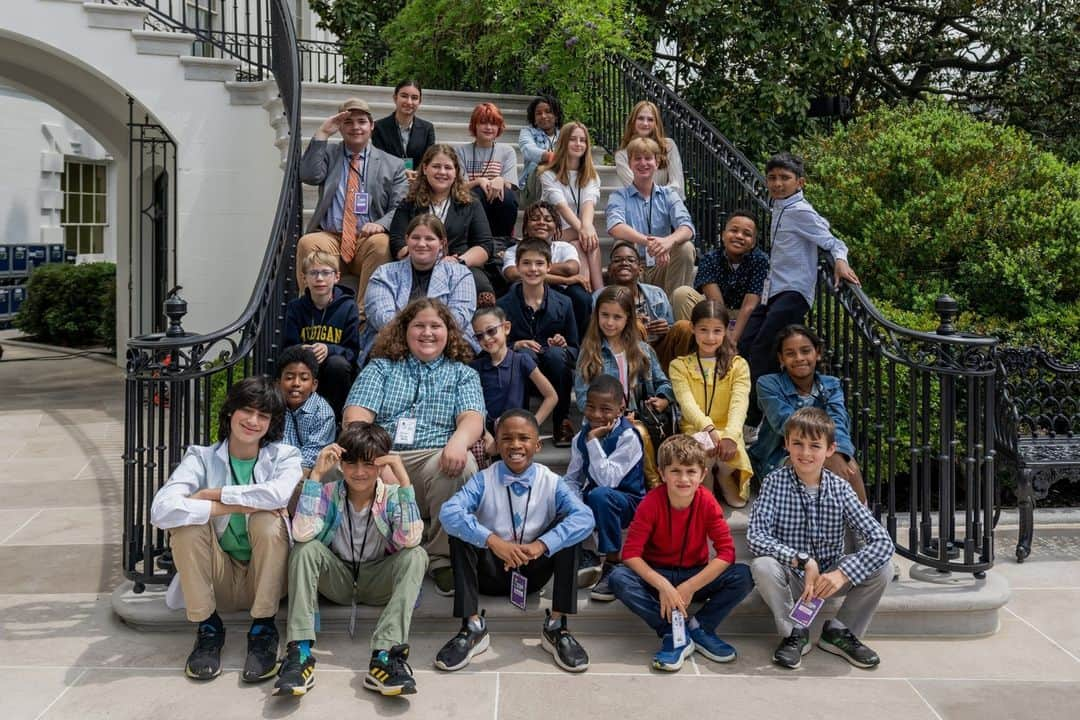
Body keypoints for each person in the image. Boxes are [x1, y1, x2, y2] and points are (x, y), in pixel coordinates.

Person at [149, 377, 301, 682]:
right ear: (230, 411)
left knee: (267, 520)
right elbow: (161, 510)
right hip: (219, 582)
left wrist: (212, 494)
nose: (253, 421)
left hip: (267, 580)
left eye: (263, 415)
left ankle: (263, 629)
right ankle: (208, 628)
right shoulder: (201, 458)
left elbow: (277, 495)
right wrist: (229, 506)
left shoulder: (285, 456)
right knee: (186, 528)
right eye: (247, 410)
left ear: (271, 423)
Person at [343, 298, 485, 596]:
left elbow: (473, 417)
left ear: (449, 332)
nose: (427, 332)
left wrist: (458, 443)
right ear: (404, 330)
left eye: (436, 326)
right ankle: (376, 557)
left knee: (463, 467)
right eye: (419, 325)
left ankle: (440, 557)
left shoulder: (463, 373)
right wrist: (377, 461)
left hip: (433, 458)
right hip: (382, 455)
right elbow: (355, 418)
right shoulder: (380, 368)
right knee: (338, 467)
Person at [275, 422, 427, 698]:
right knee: (305, 549)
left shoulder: (393, 496)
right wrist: (316, 476)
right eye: (351, 462)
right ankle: (300, 652)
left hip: (378, 577)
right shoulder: (328, 492)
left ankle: (386, 654)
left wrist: (404, 481)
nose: (359, 472)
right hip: (339, 577)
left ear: (381, 465)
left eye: (369, 463)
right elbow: (301, 533)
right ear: (341, 463)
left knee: (416, 555)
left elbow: (410, 539)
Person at [436, 409, 594, 673]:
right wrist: (494, 542)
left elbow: (585, 518)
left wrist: (540, 545)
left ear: (538, 444)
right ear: (496, 445)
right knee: (460, 531)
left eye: (524, 438)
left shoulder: (552, 481)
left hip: (533, 570)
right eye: (507, 439)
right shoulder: (483, 479)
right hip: (490, 571)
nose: (516, 445)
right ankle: (472, 626)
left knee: (570, 532)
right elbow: (448, 513)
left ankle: (557, 626)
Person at [747, 407, 893, 670]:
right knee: (762, 565)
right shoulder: (773, 483)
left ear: (829, 449)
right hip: (793, 576)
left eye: (815, 445)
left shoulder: (840, 489)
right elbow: (756, 536)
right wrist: (802, 561)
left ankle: (839, 632)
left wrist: (843, 573)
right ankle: (794, 633)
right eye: (798, 444)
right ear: (786, 445)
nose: (805, 453)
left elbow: (882, 541)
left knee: (884, 566)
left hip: (829, 578)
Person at [608, 434, 754, 671]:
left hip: (695, 576)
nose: (683, 478)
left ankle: (701, 627)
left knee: (744, 575)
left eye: (690, 471)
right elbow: (631, 554)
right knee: (618, 578)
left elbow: (726, 553)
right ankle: (672, 633)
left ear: (703, 475)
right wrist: (663, 585)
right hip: (658, 577)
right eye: (675, 471)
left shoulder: (707, 502)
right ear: (662, 473)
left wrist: (689, 587)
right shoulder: (651, 503)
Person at [738, 152, 860, 427]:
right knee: (745, 343)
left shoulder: (801, 211)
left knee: (764, 348)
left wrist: (840, 260)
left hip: (794, 292)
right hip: (775, 290)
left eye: (785, 178)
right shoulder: (779, 206)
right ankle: (753, 408)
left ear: (800, 182)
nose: (777, 183)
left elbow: (832, 241)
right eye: (772, 178)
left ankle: (755, 420)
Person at [295, 98, 408, 315]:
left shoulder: (392, 164)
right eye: (348, 122)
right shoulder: (329, 154)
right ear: (340, 127)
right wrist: (323, 133)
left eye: (362, 121)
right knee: (308, 243)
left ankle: (364, 317)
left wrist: (381, 225)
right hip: (332, 238)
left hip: (367, 240)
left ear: (371, 126)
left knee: (382, 244)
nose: (356, 127)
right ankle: (310, 314)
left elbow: (400, 207)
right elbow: (308, 175)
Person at [751, 325, 867, 502]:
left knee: (850, 466)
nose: (799, 358)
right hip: (779, 457)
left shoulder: (831, 384)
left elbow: (839, 421)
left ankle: (864, 525)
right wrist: (827, 455)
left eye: (805, 351)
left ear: (817, 353)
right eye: (790, 353)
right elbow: (786, 423)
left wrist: (839, 453)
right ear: (781, 358)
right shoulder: (768, 384)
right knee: (820, 465)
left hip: (823, 451)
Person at [573, 285, 673, 488]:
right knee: (636, 432)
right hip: (603, 420)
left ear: (628, 318)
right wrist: (613, 416)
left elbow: (664, 382)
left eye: (617, 317)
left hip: (640, 416)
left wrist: (662, 398)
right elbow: (583, 397)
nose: (609, 322)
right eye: (605, 315)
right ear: (597, 315)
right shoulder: (590, 352)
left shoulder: (642, 350)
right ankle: (654, 484)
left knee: (638, 429)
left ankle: (651, 485)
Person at [564, 374, 645, 600]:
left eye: (605, 409)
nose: (597, 415)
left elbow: (609, 480)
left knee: (600, 494)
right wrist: (573, 501)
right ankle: (585, 552)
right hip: (597, 499)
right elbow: (572, 477)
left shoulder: (628, 437)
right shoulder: (580, 437)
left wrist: (593, 441)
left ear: (621, 408)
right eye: (591, 407)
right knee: (563, 493)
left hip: (628, 502)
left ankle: (612, 562)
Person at [668, 300, 753, 508]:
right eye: (703, 330)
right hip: (695, 428)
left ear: (726, 331)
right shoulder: (679, 366)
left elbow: (739, 403)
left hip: (727, 428)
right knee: (700, 447)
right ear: (692, 328)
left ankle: (724, 476)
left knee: (731, 452)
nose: (710, 337)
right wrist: (708, 428)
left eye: (717, 331)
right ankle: (706, 478)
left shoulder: (738, 365)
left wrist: (731, 434)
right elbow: (687, 403)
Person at [497, 239, 580, 447]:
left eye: (539, 263)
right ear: (517, 266)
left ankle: (561, 421)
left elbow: (575, 348)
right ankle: (521, 424)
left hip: (554, 372)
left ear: (549, 266)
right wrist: (514, 345)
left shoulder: (565, 303)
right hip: (522, 374)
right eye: (526, 263)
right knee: (523, 356)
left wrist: (562, 345)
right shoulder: (503, 305)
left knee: (555, 355)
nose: (533, 269)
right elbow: (495, 348)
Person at [388, 144, 495, 304]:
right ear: (425, 168)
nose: (442, 172)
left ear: (456, 171)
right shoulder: (409, 202)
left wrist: (459, 261)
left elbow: (485, 245)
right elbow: (397, 240)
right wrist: (422, 258)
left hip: (460, 264)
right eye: (436, 166)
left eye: (448, 167)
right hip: (417, 264)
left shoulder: (471, 203)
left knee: (480, 286)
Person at [363, 214, 477, 364]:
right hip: (393, 346)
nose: (422, 244)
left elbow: (458, 320)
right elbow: (382, 319)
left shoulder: (461, 274)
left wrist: (427, 341)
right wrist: (418, 339)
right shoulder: (383, 274)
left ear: (442, 243)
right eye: (415, 238)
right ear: (406, 240)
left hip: (447, 345)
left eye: (429, 239)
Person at [606, 137, 696, 298]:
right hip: (634, 266)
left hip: (663, 265)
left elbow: (687, 227)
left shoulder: (669, 195)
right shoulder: (619, 196)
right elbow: (615, 226)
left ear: (657, 162)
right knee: (621, 244)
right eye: (637, 159)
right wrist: (650, 242)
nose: (643, 163)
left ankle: (672, 308)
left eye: (648, 158)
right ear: (629, 163)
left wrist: (668, 242)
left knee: (685, 248)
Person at [671, 210, 769, 346]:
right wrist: (725, 336)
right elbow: (716, 303)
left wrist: (732, 340)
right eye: (734, 231)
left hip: (746, 317)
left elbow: (749, 306)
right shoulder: (710, 259)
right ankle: (696, 349)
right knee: (682, 294)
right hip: (715, 311)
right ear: (723, 235)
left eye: (747, 234)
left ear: (753, 242)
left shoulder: (760, 260)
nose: (739, 236)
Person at [470, 306, 558, 455]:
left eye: (491, 331)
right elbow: (473, 408)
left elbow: (551, 396)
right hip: (486, 433)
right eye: (479, 336)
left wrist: (532, 425)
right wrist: (485, 434)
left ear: (506, 328)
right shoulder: (475, 368)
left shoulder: (521, 361)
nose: (486, 338)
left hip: (515, 432)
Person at [284, 251, 360, 420]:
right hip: (306, 366)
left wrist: (329, 349)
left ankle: (335, 419)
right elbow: (286, 348)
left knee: (337, 364)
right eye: (313, 273)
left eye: (326, 273)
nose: (319, 278)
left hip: (335, 372)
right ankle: (296, 418)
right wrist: (300, 349)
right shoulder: (295, 308)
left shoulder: (348, 307)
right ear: (304, 278)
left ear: (337, 277)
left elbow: (352, 352)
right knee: (294, 367)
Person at [600, 240, 692, 372]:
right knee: (637, 326)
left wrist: (666, 328)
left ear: (640, 269)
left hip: (658, 350)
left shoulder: (657, 293)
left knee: (683, 327)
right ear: (609, 270)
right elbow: (597, 334)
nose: (624, 263)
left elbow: (672, 326)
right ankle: (641, 382)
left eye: (630, 260)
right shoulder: (600, 297)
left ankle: (683, 377)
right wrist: (632, 324)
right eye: (617, 260)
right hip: (622, 354)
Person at [504, 201, 592, 335]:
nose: (541, 222)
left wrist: (530, 270)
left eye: (548, 219)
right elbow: (513, 274)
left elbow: (570, 269)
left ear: (556, 227)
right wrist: (565, 280)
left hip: (560, 294)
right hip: (527, 292)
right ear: (526, 227)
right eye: (534, 219)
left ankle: (578, 344)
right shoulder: (513, 251)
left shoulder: (565, 247)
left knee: (581, 296)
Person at [540, 121, 603, 290]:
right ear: (563, 142)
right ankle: (597, 290)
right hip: (552, 234)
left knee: (582, 240)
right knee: (587, 237)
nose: (578, 144)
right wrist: (584, 230)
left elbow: (588, 204)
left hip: (576, 235)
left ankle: (595, 292)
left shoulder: (591, 176)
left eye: (582, 140)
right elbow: (561, 206)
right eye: (573, 139)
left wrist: (587, 227)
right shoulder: (548, 175)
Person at [455, 102, 519, 239]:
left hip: (499, 205)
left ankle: (502, 240)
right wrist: (479, 181)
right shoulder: (460, 151)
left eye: (494, 123)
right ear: (475, 125)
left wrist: (499, 180)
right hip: (471, 202)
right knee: (477, 193)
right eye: (483, 122)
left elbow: (511, 186)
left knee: (506, 197)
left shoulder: (507, 151)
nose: (489, 127)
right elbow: (459, 187)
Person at [277, 345, 336, 478]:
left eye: (304, 378)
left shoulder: (323, 414)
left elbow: (310, 460)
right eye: (289, 377)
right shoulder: (272, 406)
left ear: (314, 385)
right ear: (278, 383)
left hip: (308, 473)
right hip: (275, 467)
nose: (296, 383)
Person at [614, 100, 685, 199]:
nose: (645, 123)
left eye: (650, 119)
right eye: (640, 118)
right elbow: (636, 189)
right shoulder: (622, 156)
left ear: (656, 124)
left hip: (668, 207)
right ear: (633, 121)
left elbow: (677, 185)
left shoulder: (669, 146)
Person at [371, 80, 436, 180]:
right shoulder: (379, 127)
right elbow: (380, 159)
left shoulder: (427, 128)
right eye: (404, 96)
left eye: (414, 98)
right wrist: (402, 172)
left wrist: (416, 175)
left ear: (419, 101)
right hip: (389, 181)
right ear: (395, 98)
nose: (409, 102)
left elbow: (429, 159)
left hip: (418, 182)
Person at [518, 94, 562, 205]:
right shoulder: (527, 132)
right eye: (538, 113)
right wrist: (551, 157)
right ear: (534, 119)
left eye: (548, 111)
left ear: (556, 116)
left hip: (562, 181)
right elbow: (528, 149)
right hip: (533, 187)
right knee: (543, 169)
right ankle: (543, 211)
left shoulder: (564, 134)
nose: (543, 116)